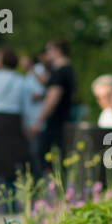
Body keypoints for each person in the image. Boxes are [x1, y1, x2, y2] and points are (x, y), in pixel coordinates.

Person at [0, 48, 34, 213]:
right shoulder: (21, 80)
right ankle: (10, 202)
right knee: (11, 162)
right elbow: (26, 105)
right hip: (14, 121)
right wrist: (29, 125)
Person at [27, 39, 75, 176]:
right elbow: (48, 84)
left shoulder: (60, 71)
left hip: (57, 123)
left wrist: (39, 121)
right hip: (63, 120)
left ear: (57, 51)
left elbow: (52, 97)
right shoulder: (66, 69)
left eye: (49, 50)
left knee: (49, 161)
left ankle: (54, 192)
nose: (47, 54)